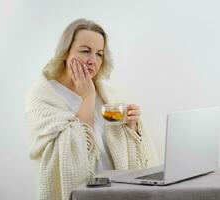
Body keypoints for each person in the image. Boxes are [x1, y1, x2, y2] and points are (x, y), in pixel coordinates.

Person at [25, 18, 158, 200]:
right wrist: (87, 97)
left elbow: (115, 146)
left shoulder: (107, 95)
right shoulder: (44, 97)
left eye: (99, 54)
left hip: (116, 192)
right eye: (85, 51)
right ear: (65, 52)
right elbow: (74, 150)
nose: (92, 61)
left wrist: (132, 127)